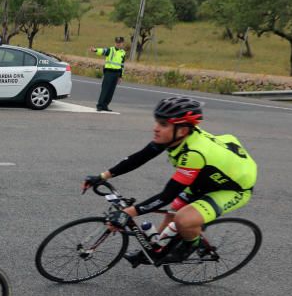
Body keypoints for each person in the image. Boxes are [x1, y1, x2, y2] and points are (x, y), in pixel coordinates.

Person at [82, 96, 257, 264]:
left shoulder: (194, 153)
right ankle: (157, 250)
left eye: (163, 124)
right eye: (157, 121)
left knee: (182, 219)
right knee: (172, 214)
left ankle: (190, 245)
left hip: (231, 189)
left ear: (182, 130)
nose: (156, 128)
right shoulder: (174, 137)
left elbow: (166, 195)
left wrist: (128, 213)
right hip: (203, 180)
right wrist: (102, 176)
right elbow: (140, 157)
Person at [89, 36, 127, 112]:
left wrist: (120, 76)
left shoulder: (123, 53)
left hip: (116, 73)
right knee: (105, 89)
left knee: (111, 91)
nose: (118, 44)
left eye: (120, 43)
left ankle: (105, 105)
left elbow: (122, 65)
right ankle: (99, 105)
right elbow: (103, 51)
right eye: (117, 42)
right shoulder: (110, 50)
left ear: (122, 43)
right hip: (109, 72)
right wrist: (95, 50)